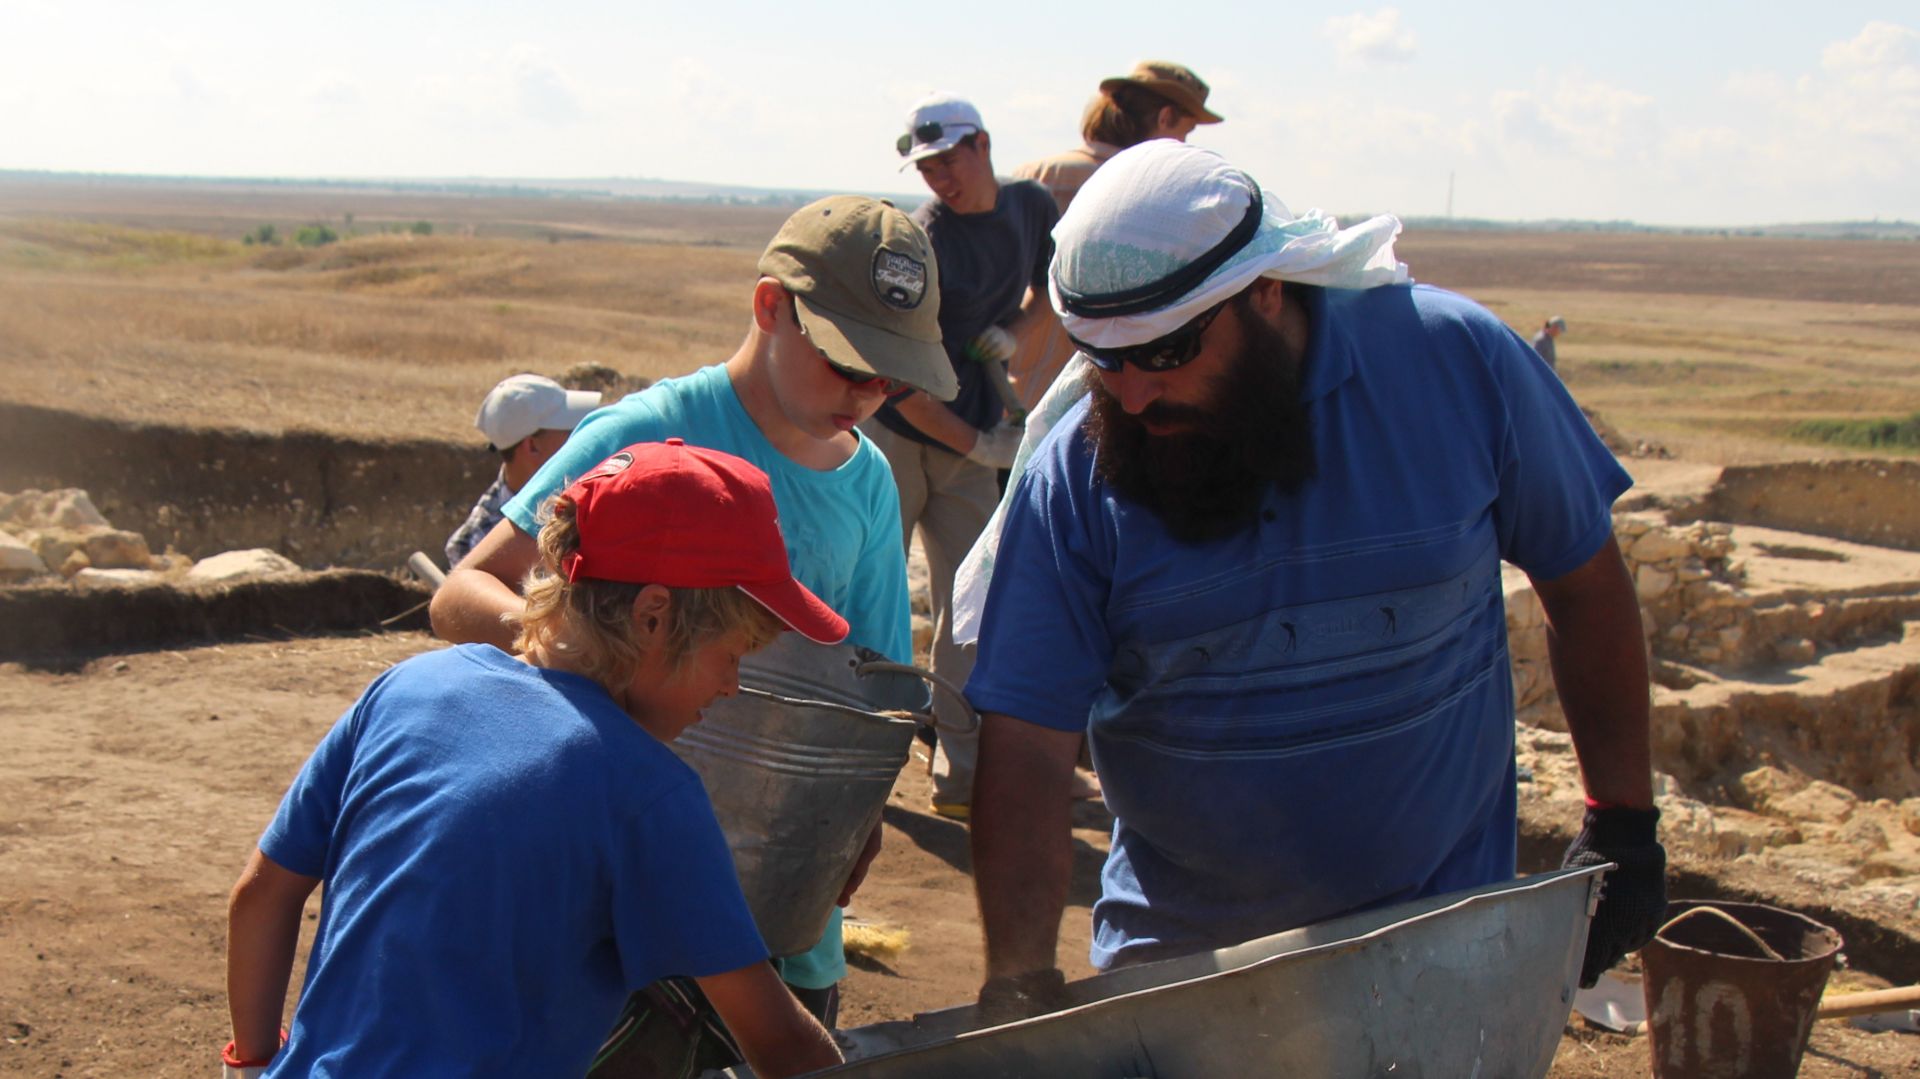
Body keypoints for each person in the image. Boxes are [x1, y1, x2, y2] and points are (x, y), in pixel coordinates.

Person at [963, 142, 1666, 1018]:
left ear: (1266, 291)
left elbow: (1582, 578)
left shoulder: (1457, 366)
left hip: (1444, 958)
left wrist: (1622, 819)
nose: (1135, 395)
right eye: (1106, 358)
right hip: (1191, 983)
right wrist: (1018, 979)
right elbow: (1028, 743)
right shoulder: (1077, 478)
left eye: (1169, 350)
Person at [429, 195, 952, 1044]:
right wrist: (601, 660)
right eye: (848, 362)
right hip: (612, 927)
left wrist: (856, 822)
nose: (868, 394)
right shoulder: (650, 434)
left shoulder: (868, 483)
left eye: (890, 376)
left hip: (779, 930)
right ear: (770, 306)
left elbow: (876, 698)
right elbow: (463, 593)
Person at [224, 439, 848, 1078]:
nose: (732, 685)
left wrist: (252, 1065)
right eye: (733, 653)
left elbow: (261, 895)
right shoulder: (647, 791)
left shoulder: (407, 687)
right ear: (653, 616)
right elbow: (782, 1046)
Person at [867, 91, 1057, 820]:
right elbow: (898, 380)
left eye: (949, 159)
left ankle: (960, 777)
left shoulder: (1031, 208)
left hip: (974, 421)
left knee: (971, 607)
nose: (939, 177)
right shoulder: (923, 243)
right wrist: (978, 443)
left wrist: (1016, 328)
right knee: (876, 596)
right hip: (900, 432)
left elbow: (1057, 290)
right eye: (927, 167)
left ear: (982, 144)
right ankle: (865, 769)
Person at [1007, 61, 1226, 413]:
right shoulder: (1154, 195)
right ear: (1166, 118)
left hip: (1009, 389)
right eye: (1186, 131)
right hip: (1095, 397)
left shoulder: (1030, 175)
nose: (1184, 144)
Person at [444, 373, 601, 568]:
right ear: (532, 446)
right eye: (571, 431)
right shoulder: (479, 543)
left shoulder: (586, 493)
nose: (582, 436)